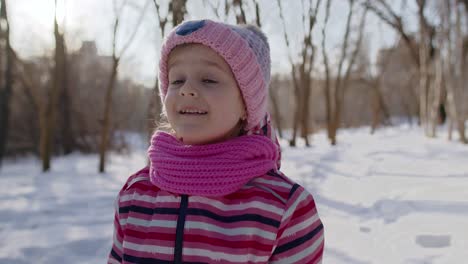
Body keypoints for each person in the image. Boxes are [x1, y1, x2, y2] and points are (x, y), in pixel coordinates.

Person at [108, 19, 324, 264]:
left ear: (247, 104)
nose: (186, 90)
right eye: (177, 80)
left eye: (209, 80)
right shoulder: (136, 195)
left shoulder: (287, 209)